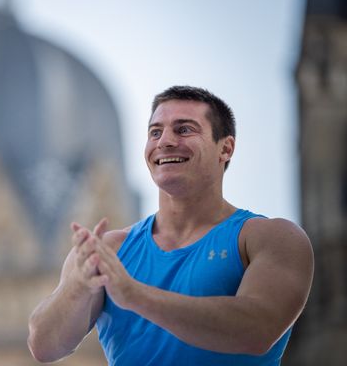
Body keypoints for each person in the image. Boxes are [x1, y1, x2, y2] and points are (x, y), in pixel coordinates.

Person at [27, 86, 314, 365]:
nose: (164, 141)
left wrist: (135, 296)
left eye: (184, 129)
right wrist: (77, 285)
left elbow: (257, 330)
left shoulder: (270, 237)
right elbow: (45, 346)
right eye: (155, 132)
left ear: (225, 148)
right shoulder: (110, 249)